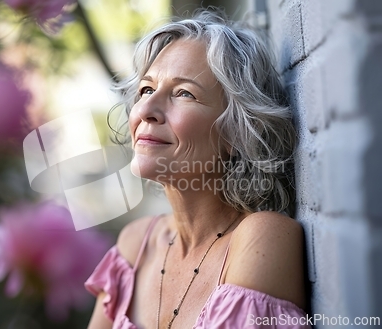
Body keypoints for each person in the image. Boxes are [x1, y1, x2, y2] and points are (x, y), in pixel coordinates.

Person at [85, 8, 310, 329]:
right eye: (147, 89)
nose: (146, 109)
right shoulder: (134, 246)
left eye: (183, 93)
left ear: (237, 132)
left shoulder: (261, 237)